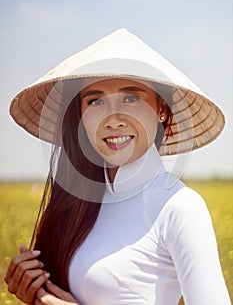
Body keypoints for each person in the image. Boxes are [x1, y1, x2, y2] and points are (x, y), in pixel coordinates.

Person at [5, 28, 231, 305]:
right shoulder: (79, 204)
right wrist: (36, 292)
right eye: (95, 101)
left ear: (162, 109)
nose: (112, 119)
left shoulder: (180, 207)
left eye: (131, 98)